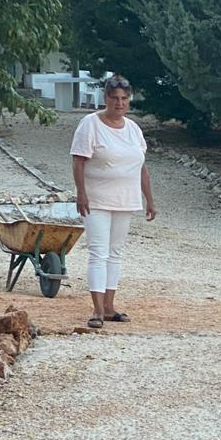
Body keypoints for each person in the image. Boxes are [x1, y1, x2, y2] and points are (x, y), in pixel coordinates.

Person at [70, 75, 157, 329]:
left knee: (115, 252)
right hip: (97, 198)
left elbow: (141, 166)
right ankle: (97, 309)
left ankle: (109, 306)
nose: (119, 103)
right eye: (114, 98)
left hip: (125, 198)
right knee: (98, 251)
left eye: (124, 98)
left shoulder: (133, 129)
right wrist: (81, 192)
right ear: (106, 98)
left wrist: (149, 199)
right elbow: (78, 160)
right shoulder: (90, 124)